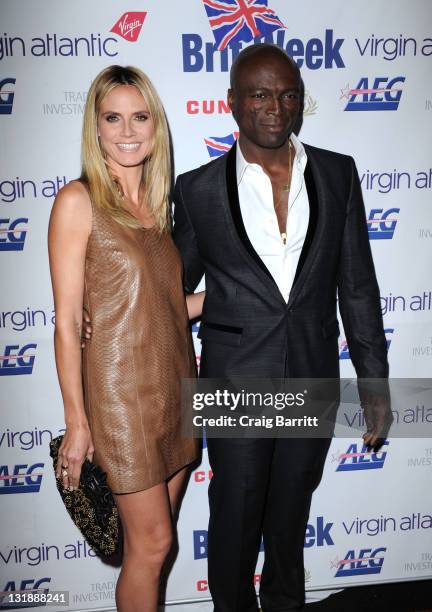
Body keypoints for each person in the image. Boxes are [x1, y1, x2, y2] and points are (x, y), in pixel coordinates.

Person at [171, 44, 389, 611]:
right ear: (233, 103)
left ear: (300, 104)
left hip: (311, 377)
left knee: (291, 523)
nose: (276, 106)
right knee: (235, 522)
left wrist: (374, 384)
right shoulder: (197, 189)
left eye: (288, 94)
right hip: (233, 381)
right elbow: (170, 291)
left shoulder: (337, 173)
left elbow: (358, 287)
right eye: (261, 94)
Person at [48, 65, 203, 612]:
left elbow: (160, 310)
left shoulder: (159, 211)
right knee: (153, 543)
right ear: (95, 127)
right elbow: (67, 322)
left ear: (157, 126)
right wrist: (77, 421)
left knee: (153, 548)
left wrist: (232, 296)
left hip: (176, 390)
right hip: (121, 401)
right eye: (113, 117)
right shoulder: (78, 201)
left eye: (140, 117)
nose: (128, 130)